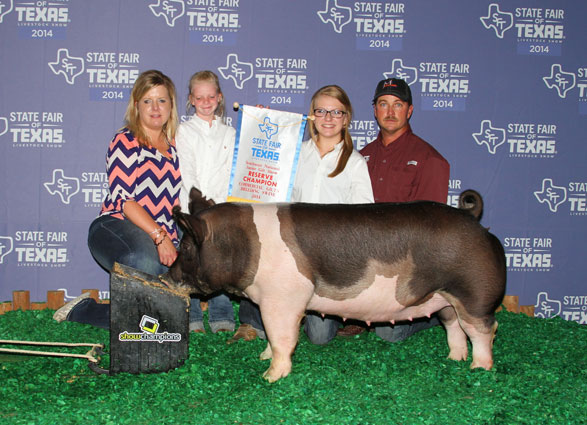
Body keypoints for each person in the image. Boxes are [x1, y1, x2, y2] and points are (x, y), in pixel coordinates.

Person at [231, 85, 374, 345]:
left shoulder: (355, 162)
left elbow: (364, 219)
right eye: (321, 111)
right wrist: (261, 124)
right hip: (292, 249)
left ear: (346, 118)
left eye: (336, 112)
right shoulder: (292, 155)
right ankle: (251, 320)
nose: (328, 118)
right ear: (311, 115)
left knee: (319, 337)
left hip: (330, 258)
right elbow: (267, 192)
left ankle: (301, 308)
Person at [52, 70, 182, 328]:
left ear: (171, 105)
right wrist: (161, 237)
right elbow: (126, 201)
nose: (155, 108)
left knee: (159, 319)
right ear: (137, 106)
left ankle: (84, 310)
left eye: (162, 100)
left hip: (164, 237)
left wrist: (260, 121)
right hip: (116, 228)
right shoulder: (126, 140)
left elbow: (216, 144)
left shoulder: (180, 144)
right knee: (145, 258)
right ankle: (86, 312)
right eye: (147, 101)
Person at [338, 77, 450, 340]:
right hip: (365, 261)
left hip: (406, 263)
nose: (390, 112)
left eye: (398, 105)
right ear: (375, 110)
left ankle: (438, 313)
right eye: (383, 104)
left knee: (391, 333)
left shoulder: (430, 159)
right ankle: (364, 315)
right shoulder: (358, 157)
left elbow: (430, 230)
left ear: (409, 110)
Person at [176, 70, 236, 334]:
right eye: (199, 97)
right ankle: (190, 315)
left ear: (219, 97)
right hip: (193, 209)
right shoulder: (184, 131)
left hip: (221, 210)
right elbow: (186, 170)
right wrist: (197, 206)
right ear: (191, 99)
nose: (206, 101)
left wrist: (220, 207)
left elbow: (232, 172)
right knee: (191, 261)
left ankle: (221, 310)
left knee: (219, 261)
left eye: (211, 96)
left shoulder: (230, 133)